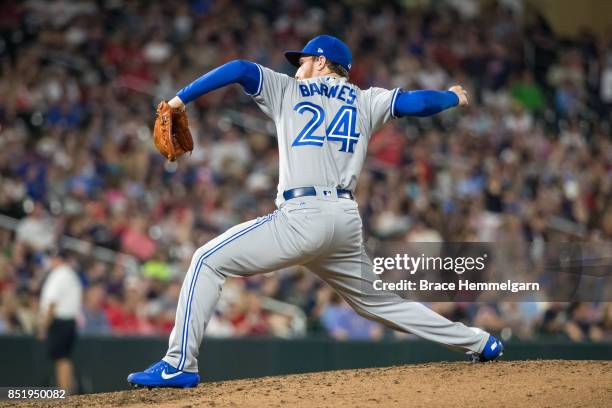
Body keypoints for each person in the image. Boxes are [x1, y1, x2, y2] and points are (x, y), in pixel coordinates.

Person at [128, 35, 503, 389]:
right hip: (343, 219)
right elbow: (419, 103)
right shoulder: (365, 99)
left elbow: (241, 68)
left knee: (206, 261)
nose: (297, 67)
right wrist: (452, 97)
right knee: (381, 305)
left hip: (301, 216)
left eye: (303, 59)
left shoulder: (287, 89)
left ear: (322, 61)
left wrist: (179, 100)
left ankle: (179, 363)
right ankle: (478, 341)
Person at [38, 249, 83, 394]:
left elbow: (51, 303)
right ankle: (69, 391)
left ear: (59, 259)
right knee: (65, 358)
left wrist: (44, 326)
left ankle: (63, 393)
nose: (51, 261)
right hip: (69, 322)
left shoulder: (59, 275)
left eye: (53, 258)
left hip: (60, 321)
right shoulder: (71, 274)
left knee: (61, 359)